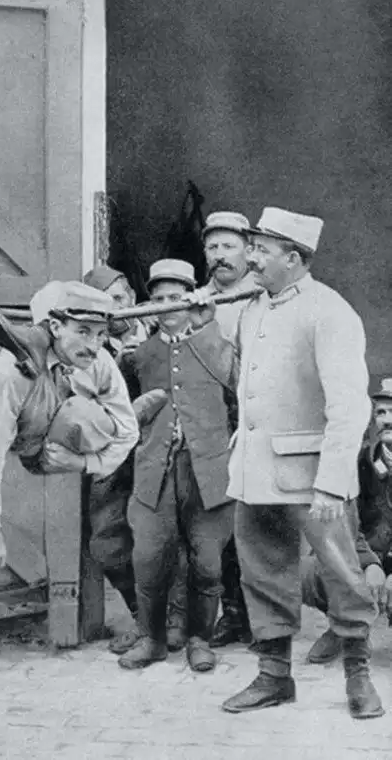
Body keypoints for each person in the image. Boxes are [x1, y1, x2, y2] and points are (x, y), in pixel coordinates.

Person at [215, 207, 383, 719]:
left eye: (261, 250)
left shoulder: (329, 311)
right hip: (256, 472)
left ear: (293, 258)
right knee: (263, 572)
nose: (251, 258)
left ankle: (358, 677)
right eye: (251, 247)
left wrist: (333, 483)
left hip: (313, 477)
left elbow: (349, 405)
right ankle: (274, 678)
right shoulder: (251, 308)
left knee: (342, 575)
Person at [0, 281, 142, 580]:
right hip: (36, 445)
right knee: (44, 384)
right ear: (57, 327)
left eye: (101, 334)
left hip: (67, 442)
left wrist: (87, 463)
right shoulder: (9, 374)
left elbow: (128, 431)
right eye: (83, 331)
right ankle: (32, 339)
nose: (94, 345)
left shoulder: (96, 358)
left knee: (81, 415)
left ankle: (33, 338)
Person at [117, 259, 236, 673]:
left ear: (192, 299)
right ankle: (151, 639)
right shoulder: (139, 356)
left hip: (208, 470)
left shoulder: (215, 343)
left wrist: (208, 330)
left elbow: (239, 391)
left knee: (208, 562)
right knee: (148, 558)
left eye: (176, 297)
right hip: (155, 470)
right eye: (159, 298)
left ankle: (200, 639)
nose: (168, 306)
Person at [165, 212, 258, 651]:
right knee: (214, 527)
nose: (220, 255)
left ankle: (261, 618)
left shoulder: (260, 298)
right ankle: (232, 615)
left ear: (248, 250)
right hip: (207, 427)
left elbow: (244, 376)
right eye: (212, 247)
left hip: (248, 420)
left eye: (229, 246)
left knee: (254, 527)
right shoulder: (195, 300)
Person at [82, 266, 151, 654]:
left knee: (163, 537)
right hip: (112, 456)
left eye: (119, 298)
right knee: (107, 541)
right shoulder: (88, 348)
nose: (114, 309)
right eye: (103, 303)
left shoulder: (161, 331)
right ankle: (143, 617)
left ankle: (176, 625)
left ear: (133, 298)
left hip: (159, 452)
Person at [305, 378, 392, 663]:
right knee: (312, 568)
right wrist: (370, 564)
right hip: (368, 560)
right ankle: (346, 626)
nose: (387, 420)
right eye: (381, 412)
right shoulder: (359, 463)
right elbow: (345, 525)